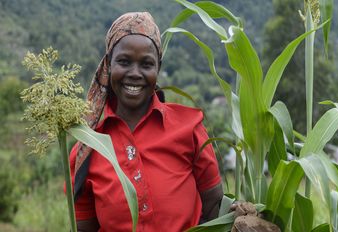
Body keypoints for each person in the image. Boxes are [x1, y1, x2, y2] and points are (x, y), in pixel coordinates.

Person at [69, 12, 223, 232]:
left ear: (158, 68)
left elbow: (214, 210)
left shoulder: (189, 128)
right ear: (108, 65)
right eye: (124, 61)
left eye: (146, 64)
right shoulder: (87, 149)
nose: (135, 73)